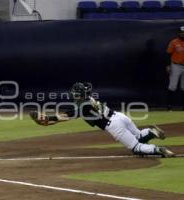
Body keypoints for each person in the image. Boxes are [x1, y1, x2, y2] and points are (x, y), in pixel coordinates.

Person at [30, 82, 175, 158]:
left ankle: (158, 149)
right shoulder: (90, 99)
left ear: (79, 94)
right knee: (138, 136)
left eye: (75, 93)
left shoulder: (84, 106)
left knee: (136, 148)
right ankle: (151, 132)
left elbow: (65, 116)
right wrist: (49, 122)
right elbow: (68, 115)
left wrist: (48, 119)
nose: (74, 94)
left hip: (114, 125)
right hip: (120, 116)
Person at [166, 26, 184, 111]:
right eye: (181, 32)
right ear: (179, 33)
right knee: (172, 86)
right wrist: (168, 65)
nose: (182, 34)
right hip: (176, 65)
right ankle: (169, 107)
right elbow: (168, 54)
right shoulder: (174, 42)